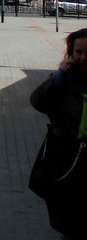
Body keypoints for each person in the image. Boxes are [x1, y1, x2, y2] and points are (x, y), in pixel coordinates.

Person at [30, 27, 87, 239]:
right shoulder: (63, 82)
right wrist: (58, 77)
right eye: (78, 52)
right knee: (70, 224)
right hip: (65, 162)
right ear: (70, 54)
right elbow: (38, 102)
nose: (83, 58)